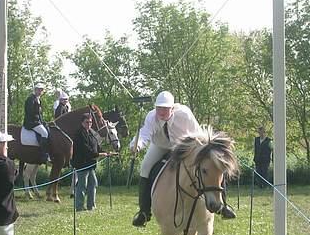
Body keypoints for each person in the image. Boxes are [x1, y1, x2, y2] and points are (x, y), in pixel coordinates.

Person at [130, 90, 236, 227]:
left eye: (165, 108)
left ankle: (223, 206)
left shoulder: (184, 114)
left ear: (172, 108)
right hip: (160, 146)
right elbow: (144, 134)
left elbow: (199, 134)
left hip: (185, 147)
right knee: (145, 167)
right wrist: (136, 145)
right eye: (159, 108)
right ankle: (144, 212)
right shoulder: (151, 117)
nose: (161, 112)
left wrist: (206, 152)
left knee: (214, 165)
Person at [72, 114, 106, 211]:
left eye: (90, 122)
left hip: (90, 164)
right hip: (82, 163)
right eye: (87, 122)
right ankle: (79, 207)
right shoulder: (79, 134)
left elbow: (95, 145)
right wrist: (98, 154)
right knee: (82, 185)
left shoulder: (90, 132)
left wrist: (104, 152)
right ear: (82, 122)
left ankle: (91, 206)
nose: (89, 124)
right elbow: (85, 149)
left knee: (93, 183)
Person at [24, 82, 49, 163]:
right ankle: (43, 154)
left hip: (37, 121)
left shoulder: (38, 100)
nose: (40, 91)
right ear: (35, 90)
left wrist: (42, 121)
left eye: (41, 90)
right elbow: (30, 112)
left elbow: (40, 114)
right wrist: (37, 106)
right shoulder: (31, 99)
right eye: (38, 89)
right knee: (44, 133)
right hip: (31, 122)